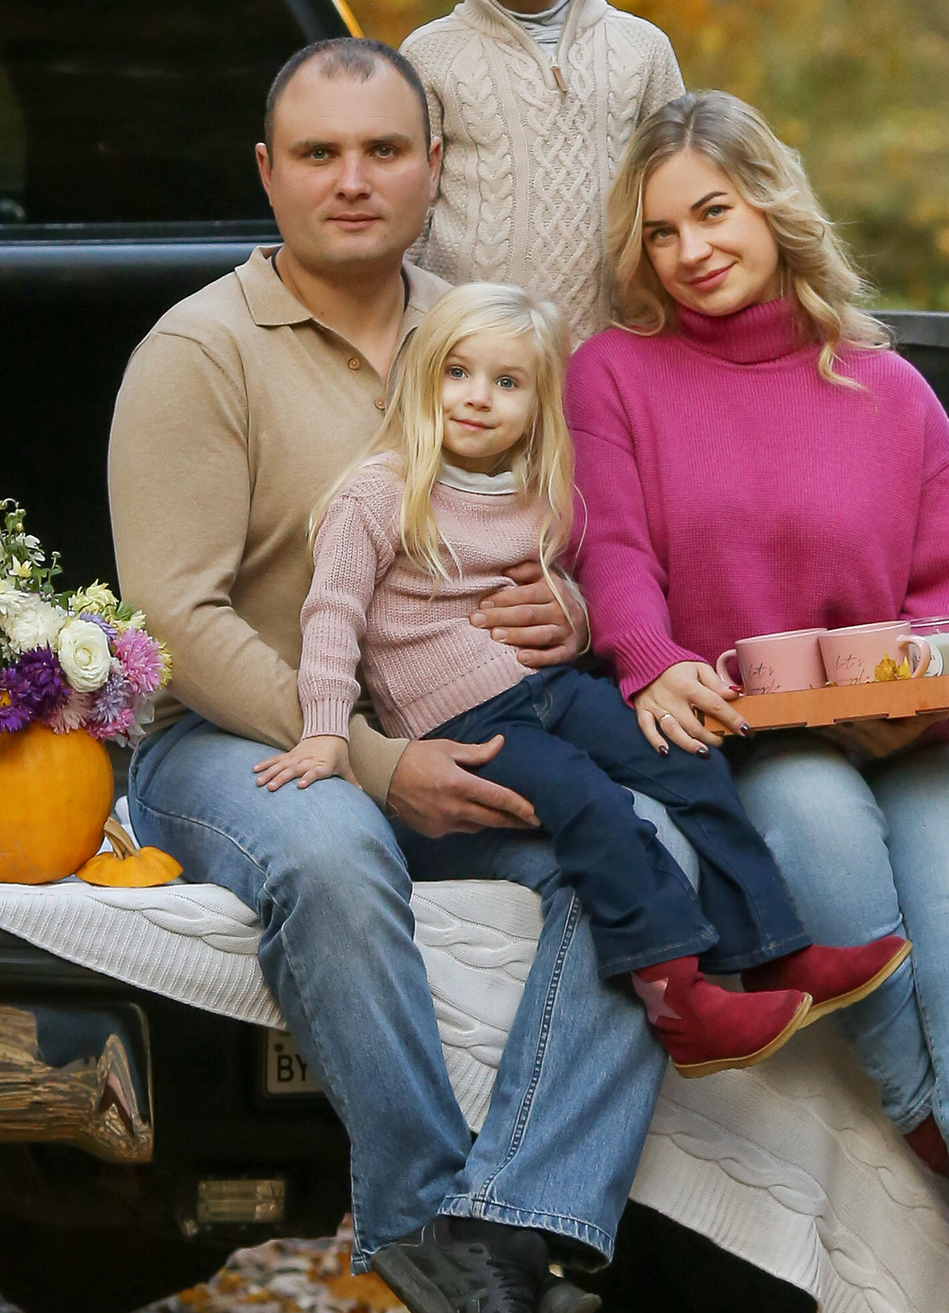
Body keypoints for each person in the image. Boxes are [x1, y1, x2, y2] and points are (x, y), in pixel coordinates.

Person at [106, 34, 670, 1313]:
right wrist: (368, 761)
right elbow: (175, 618)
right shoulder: (202, 350)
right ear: (268, 173)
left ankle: (518, 1217)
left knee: (647, 853)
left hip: (465, 724)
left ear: (432, 168)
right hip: (233, 749)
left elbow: (570, 534)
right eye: (318, 153)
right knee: (333, 846)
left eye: (382, 151)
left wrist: (567, 615)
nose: (351, 180)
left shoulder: (483, 339)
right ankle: (418, 1211)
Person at [566, 90, 949, 1313]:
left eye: (713, 213)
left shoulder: (886, 386)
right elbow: (611, 550)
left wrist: (920, 699)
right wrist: (649, 659)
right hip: (767, 734)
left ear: (770, 204)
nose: (691, 251)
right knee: (826, 845)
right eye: (662, 232)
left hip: (923, 727)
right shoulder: (615, 376)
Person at [254, 279, 909, 1075]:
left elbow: (579, 589)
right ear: (424, 377)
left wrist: (575, 609)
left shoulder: (541, 497)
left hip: (550, 688)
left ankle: (773, 950)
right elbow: (332, 615)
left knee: (684, 755)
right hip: (461, 721)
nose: (477, 398)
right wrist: (326, 730)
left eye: (507, 382)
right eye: (458, 372)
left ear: (539, 407)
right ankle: (680, 1001)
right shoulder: (380, 494)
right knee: (589, 800)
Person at [401, 0, 683, 344]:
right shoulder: (430, 56)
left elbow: (679, 194)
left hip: (615, 347)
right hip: (472, 356)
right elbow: (409, 215)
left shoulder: (642, 48)